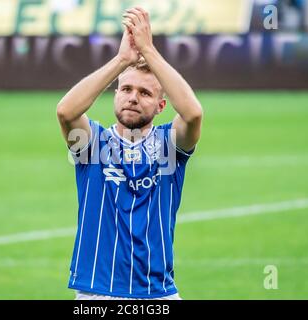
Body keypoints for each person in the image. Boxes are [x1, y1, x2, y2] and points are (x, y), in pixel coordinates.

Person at [57, 7, 203, 300]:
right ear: (116, 93)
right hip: (98, 292)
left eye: (146, 93)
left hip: (156, 293)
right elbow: (66, 110)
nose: (133, 98)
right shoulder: (93, 144)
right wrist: (122, 60)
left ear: (161, 107)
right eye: (126, 89)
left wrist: (148, 51)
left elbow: (192, 113)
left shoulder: (169, 146)